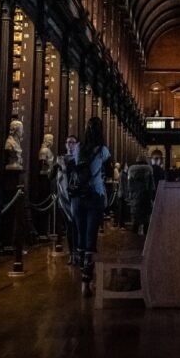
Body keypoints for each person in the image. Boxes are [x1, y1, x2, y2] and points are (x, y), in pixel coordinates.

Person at [70, 116, 112, 297]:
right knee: (90, 238)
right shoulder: (103, 150)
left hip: (78, 197)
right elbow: (108, 173)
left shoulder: (78, 148)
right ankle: (86, 282)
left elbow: (74, 167)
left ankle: (82, 278)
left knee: (80, 235)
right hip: (95, 195)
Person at [54, 134, 79, 265]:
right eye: (68, 142)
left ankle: (78, 252)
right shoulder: (60, 159)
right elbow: (50, 176)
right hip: (63, 198)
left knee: (77, 226)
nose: (70, 145)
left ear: (76, 145)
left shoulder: (78, 160)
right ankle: (72, 253)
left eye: (73, 143)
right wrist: (56, 166)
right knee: (69, 227)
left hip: (76, 197)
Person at [127, 154, 155, 235]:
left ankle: (134, 236)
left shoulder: (131, 170)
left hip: (135, 197)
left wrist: (130, 195)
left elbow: (129, 185)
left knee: (135, 218)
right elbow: (152, 185)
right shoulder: (149, 169)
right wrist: (151, 196)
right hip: (146, 197)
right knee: (146, 218)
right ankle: (146, 238)